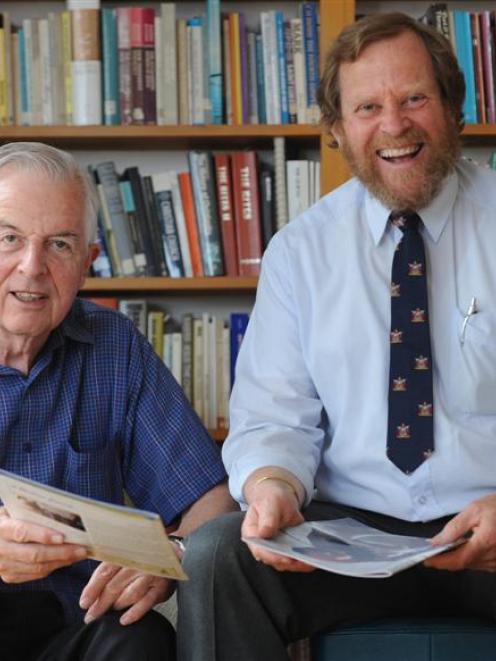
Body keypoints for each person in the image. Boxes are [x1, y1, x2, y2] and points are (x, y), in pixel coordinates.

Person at [176, 12, 496, 661]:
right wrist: (271, 487)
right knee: (216, 557)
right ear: (338, 130)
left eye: (414, 99)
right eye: (368, 107)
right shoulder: (299, 251)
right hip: (351, 537)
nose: (395, 125)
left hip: (490, 522)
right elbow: (274, 415)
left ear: (451, 107)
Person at [0, 141, 236, 661]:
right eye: (9, 238)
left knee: (143, 638)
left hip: (73, 623)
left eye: (59, 244)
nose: (32, 266)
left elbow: (211, 503)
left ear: (88, 261)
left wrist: (170, 555)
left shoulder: (114, 346)